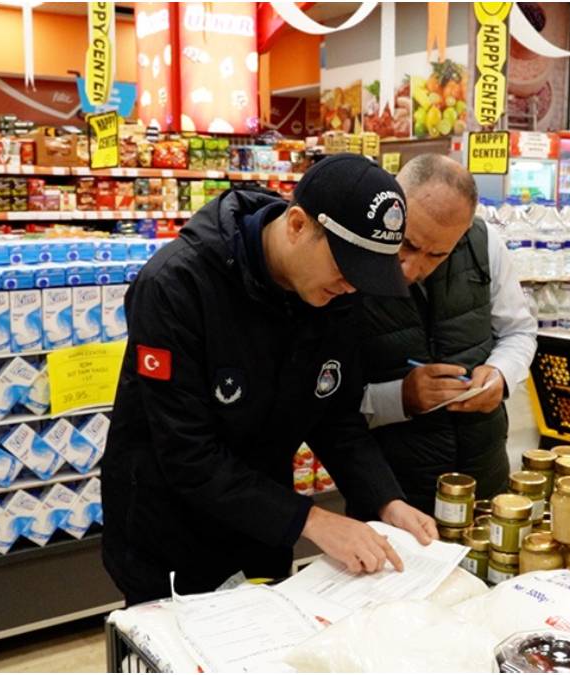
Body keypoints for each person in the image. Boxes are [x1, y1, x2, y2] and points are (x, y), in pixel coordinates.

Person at [103, 154, 438, 604]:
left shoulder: (334, 293)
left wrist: (386, 500)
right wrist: (314, 522)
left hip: (263, 528)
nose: (352, 287)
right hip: (169, 535)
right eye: (346, 269)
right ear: (297, 225)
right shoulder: (174, 286)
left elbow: (336, 415)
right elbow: (188, 455)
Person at [358, 153, 538, 512]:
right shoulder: (355, 254)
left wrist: (501, 376)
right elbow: (326, 396)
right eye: (407, 244)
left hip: (484, 471)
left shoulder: (484, 243)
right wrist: (400, 397)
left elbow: (519, 330)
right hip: (391, 491)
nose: (412, 268)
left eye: (437, 254)